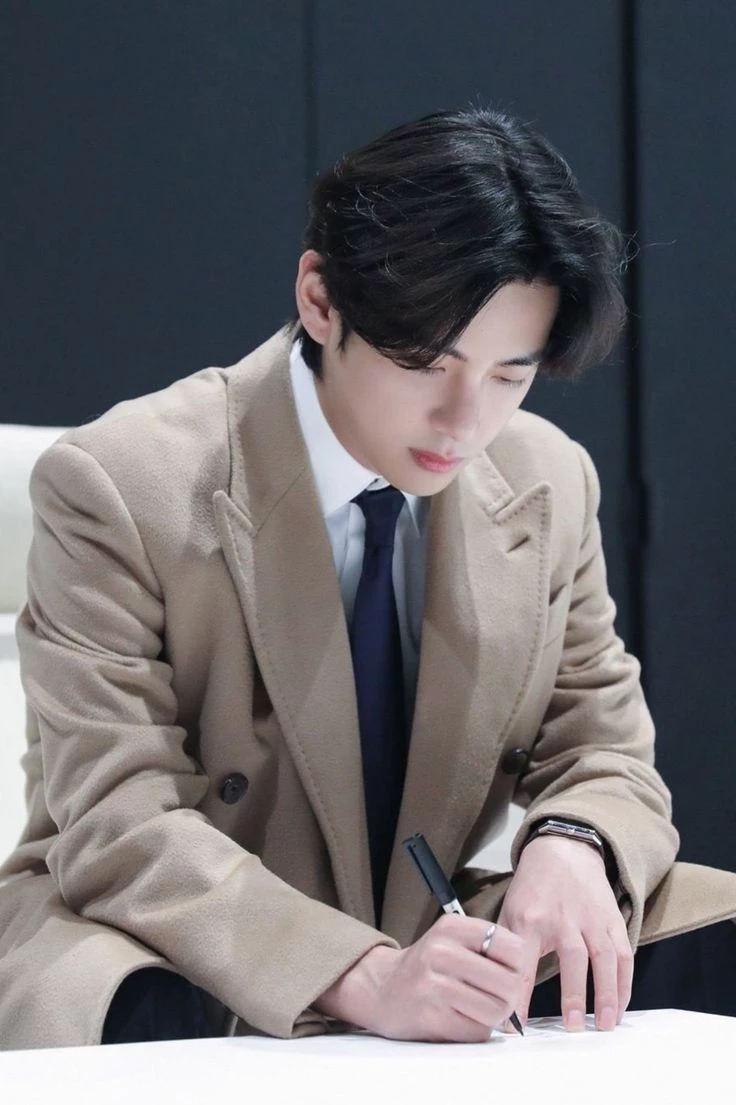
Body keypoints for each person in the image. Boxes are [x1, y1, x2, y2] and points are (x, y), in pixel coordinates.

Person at [0, 106, 734, 1051]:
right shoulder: (121, 481)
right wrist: (364, 974)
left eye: (509, 375)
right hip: (170, 936)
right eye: (426, 361)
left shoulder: (548, 479)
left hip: (432, 929)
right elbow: (118, 822)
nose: (465, 421)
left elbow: (605, 746)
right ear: (320, 299)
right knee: (135, 1011)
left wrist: (575, 843)